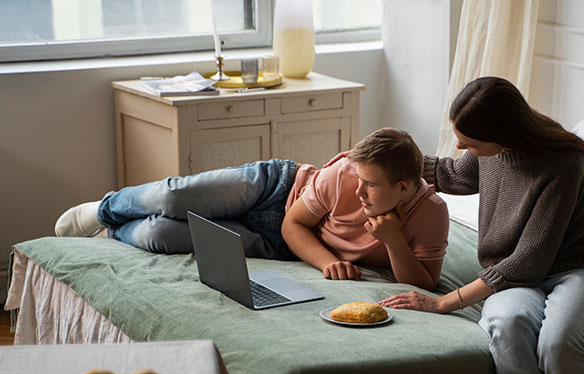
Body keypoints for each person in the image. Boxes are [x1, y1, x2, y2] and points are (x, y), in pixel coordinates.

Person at [379, 77, 584, 374]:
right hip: (515, 276)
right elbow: (455, 175)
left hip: (580, 272)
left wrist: (445, 302)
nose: (461, 147)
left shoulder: (562, 162)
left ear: (503, 133)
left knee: (558, 345)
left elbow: (530, 260)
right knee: (508, 328)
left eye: (470, 142)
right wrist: (383, 166)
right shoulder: (490, 149)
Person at [55, 127, 449, 290]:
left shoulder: (431, 214)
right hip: (276, 189)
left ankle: (114, 231)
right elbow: (297, 222)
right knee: (173, 198)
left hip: (274, 244)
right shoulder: (343, 174)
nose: (358, 188)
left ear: (402, 187)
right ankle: (106, 208)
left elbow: (425, 286)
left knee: (160, 235)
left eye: (370, 185)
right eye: (357, 178)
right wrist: (327, 261)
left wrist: (394, 241)